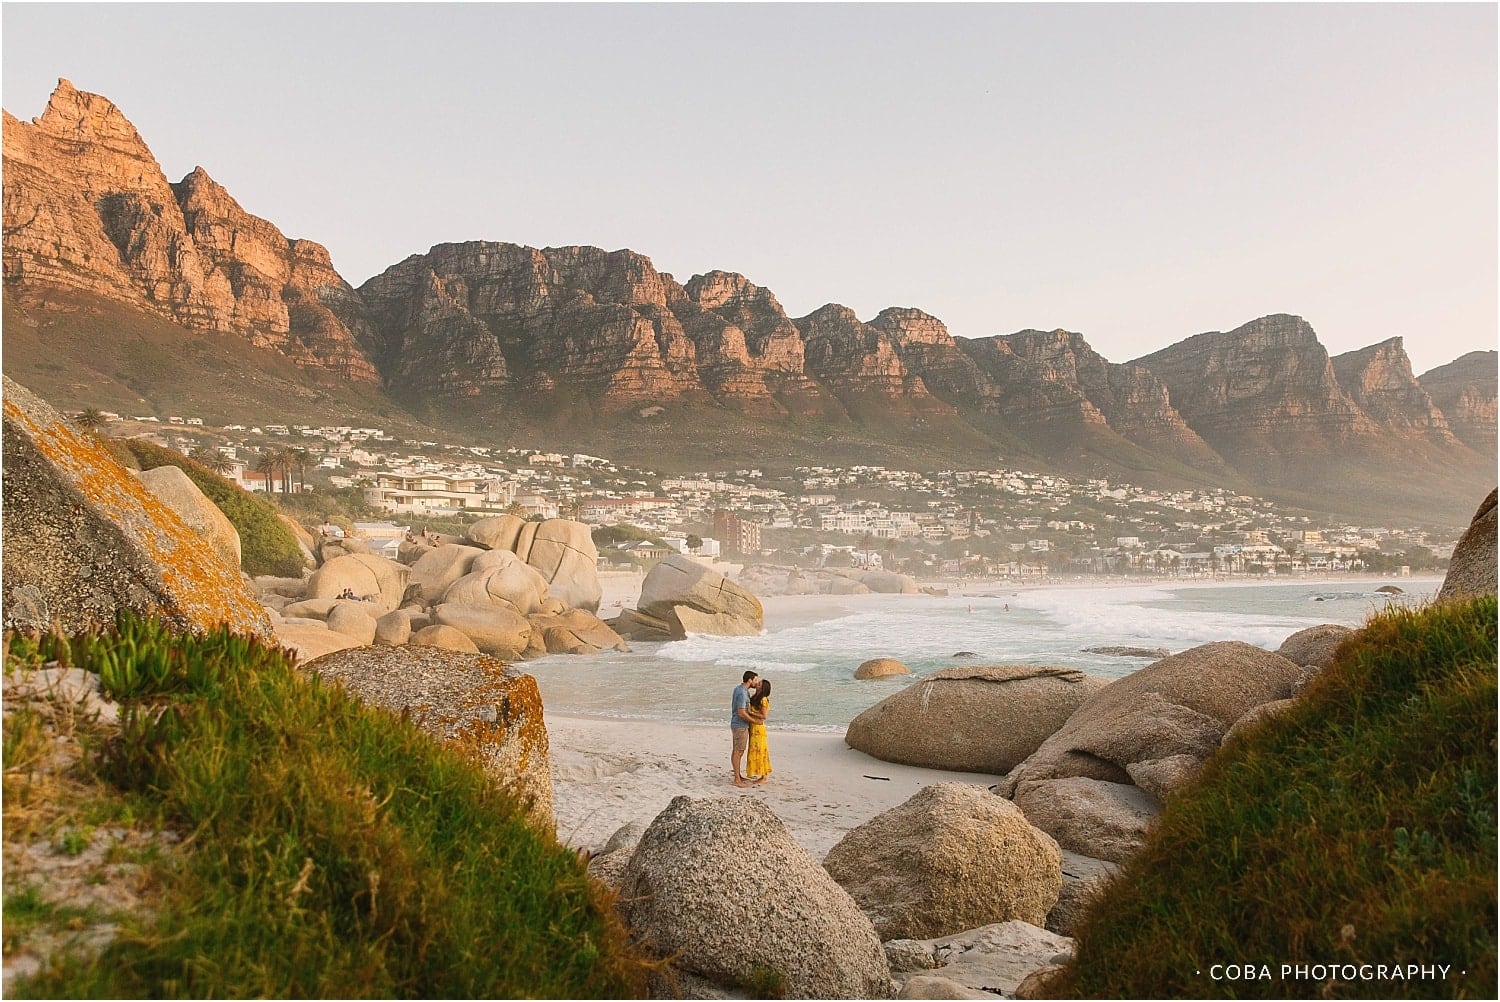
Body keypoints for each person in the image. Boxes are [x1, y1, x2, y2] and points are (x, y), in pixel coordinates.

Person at [730, 670, 759, 787]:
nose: (757, 682)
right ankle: (737, 779)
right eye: (755, 680)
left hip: (737, 724)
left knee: (737, 750)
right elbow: (741, 712)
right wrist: (754, 721)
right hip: (740, 725)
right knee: (739, 751)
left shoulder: (740, 689)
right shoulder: (742, 692)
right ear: (750, 680)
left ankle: (737, 775)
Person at [745, 678, 773, 785]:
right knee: (755, 751)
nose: (757, 684)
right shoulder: (755, 697)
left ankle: (764, 776)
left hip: (759, 729)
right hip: (753, 727)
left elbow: (764, 716)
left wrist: (751, 712)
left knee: (761, 752)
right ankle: (761, 774)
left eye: (759, 683)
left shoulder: (763, 699)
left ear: (762, 688)